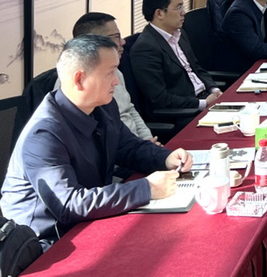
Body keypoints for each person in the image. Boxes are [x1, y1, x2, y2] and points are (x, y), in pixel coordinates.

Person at [0, 35, 191, 249]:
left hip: (89, 221)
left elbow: (128, 146)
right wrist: (146, 188)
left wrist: (165, 158)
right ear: (79, 79)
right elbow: (68, 204)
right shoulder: (43, 134)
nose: (116, 81)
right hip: (46, 243)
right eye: (110, 72)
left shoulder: (103, 106)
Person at [130, 0, 222, 119]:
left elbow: (196, 68)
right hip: (185, 113)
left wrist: (214, 89)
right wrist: (203, 103)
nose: (183, 12)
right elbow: (159, 98)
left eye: (182, 7)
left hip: (205, 97)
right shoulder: (145, 48)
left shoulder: (179, 33)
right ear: (159, 13)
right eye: (178, 7)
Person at [61, 12, 155, 141]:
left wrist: (147, 139)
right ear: (94, 41)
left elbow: (130, 109)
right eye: (116, 37)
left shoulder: (115, 71)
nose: (123, 42)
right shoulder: (76, 86)